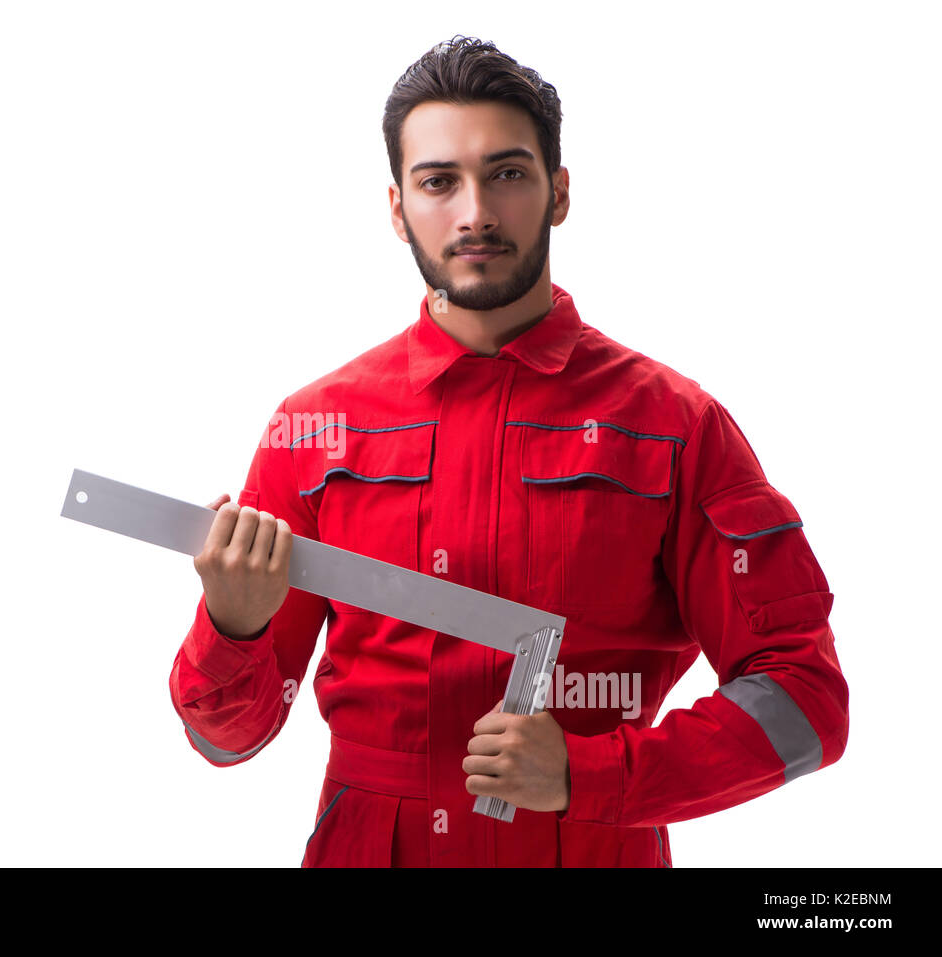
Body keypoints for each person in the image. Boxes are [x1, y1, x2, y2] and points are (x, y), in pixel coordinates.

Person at [167, 35, 848, 867]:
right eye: (439, 181)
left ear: (559, 193)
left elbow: (806, 699)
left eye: (508, 174)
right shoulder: (315, 428)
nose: (475, 212)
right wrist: (232, 626)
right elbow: (227, 741)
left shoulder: (674, 424)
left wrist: (594, 774)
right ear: (396, 208)